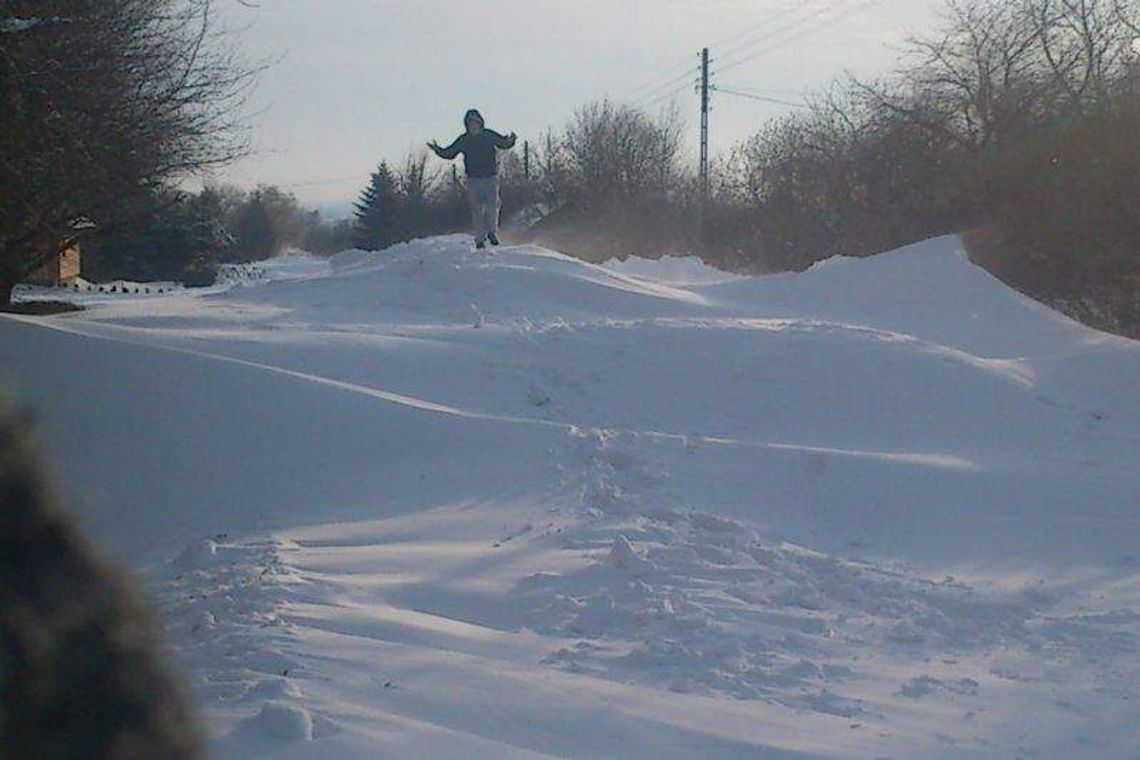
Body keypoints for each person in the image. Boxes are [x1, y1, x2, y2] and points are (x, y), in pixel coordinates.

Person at [428, 109, 517, 250]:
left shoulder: (488, 135)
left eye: (475, 123)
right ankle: (479, 239)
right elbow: (450, 152)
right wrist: (438, 150)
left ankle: (492, 233)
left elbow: (503, 143)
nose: (473, 126)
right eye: (470, 124)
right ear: (467, 125)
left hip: (490, 177)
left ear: (480, 123)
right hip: (473, 179)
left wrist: (511, 140)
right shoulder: (464, 140)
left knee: (492, 206)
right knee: (477, 210)